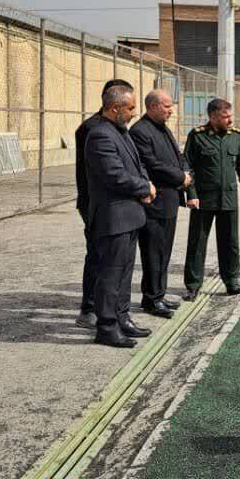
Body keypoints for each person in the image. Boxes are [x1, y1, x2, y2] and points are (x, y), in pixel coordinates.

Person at [84, 85, 156, 348]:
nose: (135, 113)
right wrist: (144, 188)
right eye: (130, 108)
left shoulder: (120, 132)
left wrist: (146, 184)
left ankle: (122, 317)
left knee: (125, 272)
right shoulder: (100, 135)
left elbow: (138, 166)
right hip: (113, 217)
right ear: (114, 109)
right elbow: (113, 175)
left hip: (130, 214)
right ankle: (106, 326)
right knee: (110, 273)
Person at [74, 78, 134, 330]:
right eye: (128, 106)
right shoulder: (93, 129)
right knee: (99, 257)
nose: (132, 112)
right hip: (97, 203)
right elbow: (101, 172)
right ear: (113, 103)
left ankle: (114, 311)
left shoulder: (117, 127)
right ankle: (89, 308)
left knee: (116, 261)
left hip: (119, 204)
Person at [183, 98, 240, 299]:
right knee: (197, 243)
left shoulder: (236, 137)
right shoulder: (197, 136)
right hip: (203, 199)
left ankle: (231, 281)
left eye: (231, 116)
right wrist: (191, 194)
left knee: (230, 242)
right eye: (225, 117)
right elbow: (188, 167)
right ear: (213, 117)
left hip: (229, 198)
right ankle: (193, 285)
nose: (230, 120)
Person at [129, 89, 190, 318]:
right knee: (153, 253)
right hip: (154, 203)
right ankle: (153, 299)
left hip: (169, 201)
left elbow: (176, 156)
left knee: (164, 252)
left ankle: (158, 295)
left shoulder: (162, 128)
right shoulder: (140, 131)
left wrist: (185, 171)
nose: (171, 110)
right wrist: (180, 177)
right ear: (153, 106)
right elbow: (151, 165)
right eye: (166, 106)